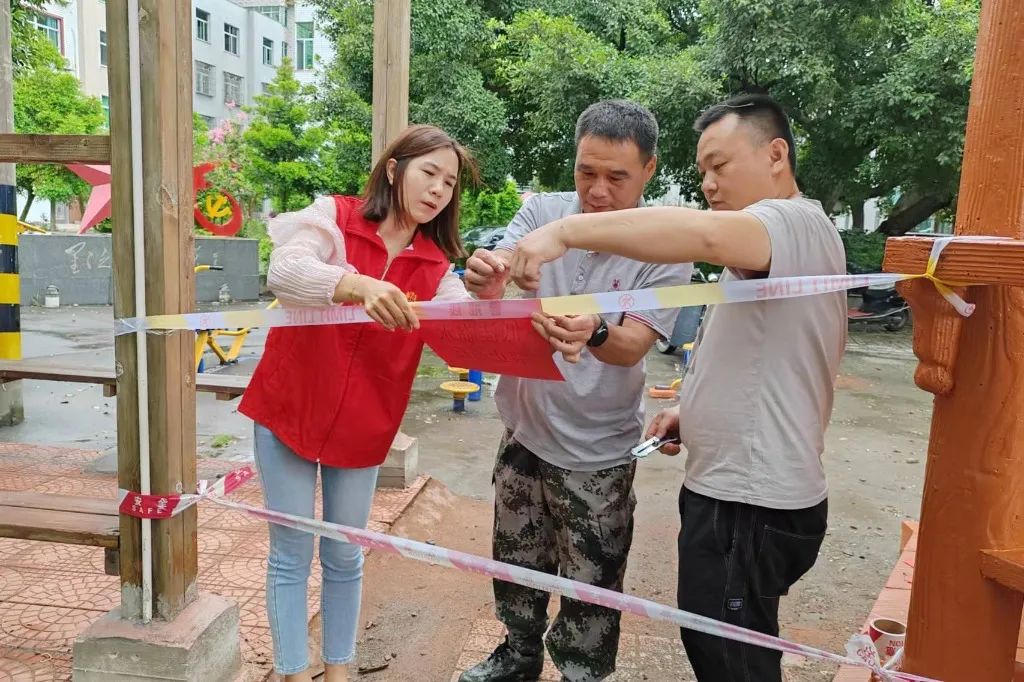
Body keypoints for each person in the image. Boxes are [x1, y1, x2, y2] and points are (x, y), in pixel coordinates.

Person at [508, 93, 847, 682]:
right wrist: (689, 410)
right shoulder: (765, 256)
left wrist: (564, 230)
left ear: (775, 154)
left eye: (721, 165)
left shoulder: (796, 224)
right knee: (722, 647)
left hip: (752, 499)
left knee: (732, 662)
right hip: (734, 493)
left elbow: (705, 237)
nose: (711, 185)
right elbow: (758, 357)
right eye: (703, 172)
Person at [237, 125, 481, 682]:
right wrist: (357, 286)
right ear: (394, 170)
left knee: (346, 554)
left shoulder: (436, 265)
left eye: (449, 183)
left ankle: (340, 670)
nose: (439, 190)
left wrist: (499, 304)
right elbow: (285, 272)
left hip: (365, 425)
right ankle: (295, 671)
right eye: (429, 173)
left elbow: (464, 330)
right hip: (290, 408)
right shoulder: (335, 219)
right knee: (291, 551)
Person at [460, 100, 692, 682]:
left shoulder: (665, 244)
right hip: (524, 431)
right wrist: (485, 275)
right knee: (516, 558)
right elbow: (498, 280)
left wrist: (594, 330)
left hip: (598, 450)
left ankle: (582, 672)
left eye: (617, 176)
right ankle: (517, 654)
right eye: (586, 171)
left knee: (591, 581)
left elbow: (634, 345)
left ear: (649, 170)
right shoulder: (542, 210)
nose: (597, 190)